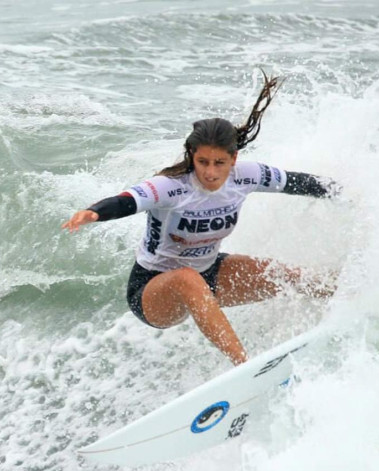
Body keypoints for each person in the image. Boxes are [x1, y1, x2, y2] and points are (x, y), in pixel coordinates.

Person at [62, 73, 338, 366]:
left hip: (210, 273)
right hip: (152, 289)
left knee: (285, 275)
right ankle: (245, 366)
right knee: (186, 278)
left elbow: (299, 183)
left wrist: (351, 191)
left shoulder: (247, 175)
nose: (210, 172)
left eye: (219, 163)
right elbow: (128, 201)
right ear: (192, 156)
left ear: (233, 158)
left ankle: (351, 303)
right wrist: (96, 212)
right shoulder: (172, 186)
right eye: (203, 162)